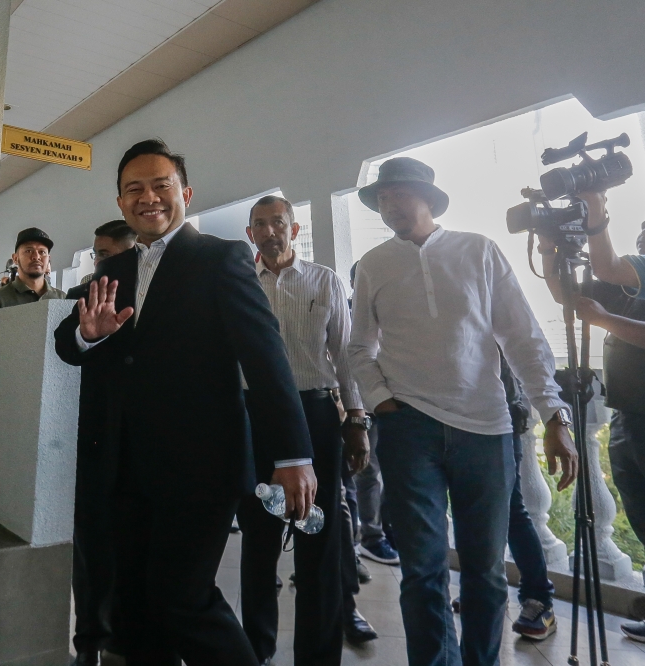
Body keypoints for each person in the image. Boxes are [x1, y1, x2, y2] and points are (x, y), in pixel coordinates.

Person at [54, 139, 316, 666]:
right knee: (132, 609)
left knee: (184, 597)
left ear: (185, 194)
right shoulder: (113, 270)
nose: (148, 198)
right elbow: (66, 342)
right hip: (123, 470)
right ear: (122, 202)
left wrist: (293, 455)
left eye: (161, 186)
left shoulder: (221, 258)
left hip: (201, 467)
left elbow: (266, 359)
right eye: (134, 190)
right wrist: (89, 334)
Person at [348, 156, 578, 666]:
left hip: (486, 428)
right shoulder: (373, 264)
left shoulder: (479, 251)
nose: (388, 206)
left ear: (427, 198)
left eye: (398, 195)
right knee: (423, 569)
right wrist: (384, 402)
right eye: (381, 199)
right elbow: (359, 345)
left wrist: (555, 416)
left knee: (485, 571)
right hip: (409, 429)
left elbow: (521, 336)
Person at [237, 194, 376, 665]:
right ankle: (255, 650)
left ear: (294, 230)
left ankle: (317, 656)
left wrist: (356, 420)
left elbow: (345, 355)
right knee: (258, 541)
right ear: (250, 233)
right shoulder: (237, 283)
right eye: (260, 224)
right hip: (254, 417)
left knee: (318, 538)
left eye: (279, 222)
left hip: (315, 416)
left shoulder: (325, 280)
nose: (270, 231)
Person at [539, 197, 645, 643]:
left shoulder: (628, 278)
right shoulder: (632, 281)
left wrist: (604, 320)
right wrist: (548, 252)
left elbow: (604, 270)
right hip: (627, 414)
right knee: (640, 512)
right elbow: (568, 295)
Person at [65, 220, 136, 666]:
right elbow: (64, 348)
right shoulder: (78, 299)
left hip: (146, 445)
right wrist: (86, 335)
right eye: (97, 255)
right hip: (94, 442)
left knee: (135, 551)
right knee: (91, 550)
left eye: (110, 256)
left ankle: (126, 639)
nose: (101, 264)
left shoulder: (157, 298)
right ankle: (88, 641)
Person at [452, 354, 559, 640]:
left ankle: (540, 601)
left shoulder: (495, 307)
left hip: (500, 415)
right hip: (460, 418)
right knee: (477, 511)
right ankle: (484, 590)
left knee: (511, 510)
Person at [348, 261, 400, 568]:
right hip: (364, 404)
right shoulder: (351, 311)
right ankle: (371, 537)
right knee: (367, 473)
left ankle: (386, 532)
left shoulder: (393, 306)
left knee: (394, 473)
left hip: (396, 402)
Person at [0, 227, 66, 308]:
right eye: (29, 251)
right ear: (15, 258)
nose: (36, 257)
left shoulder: (62, 298)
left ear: (48, 259)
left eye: (42, 252)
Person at [81, 220, 138, 285]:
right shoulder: (89, 282)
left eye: (105, 255)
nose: (96, 262)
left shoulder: (146, 285)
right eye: (96, 254)